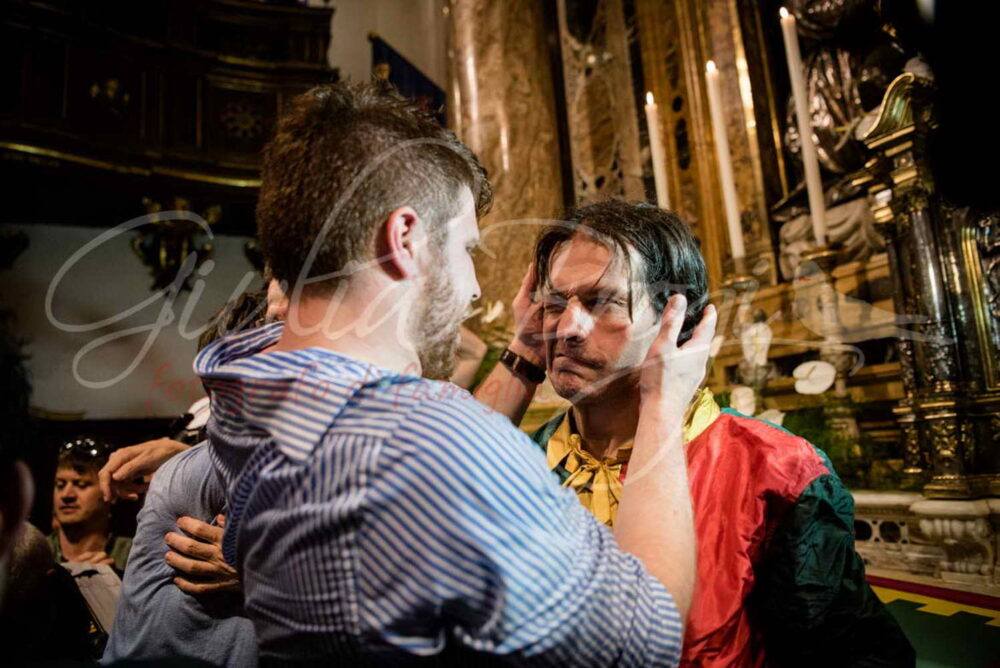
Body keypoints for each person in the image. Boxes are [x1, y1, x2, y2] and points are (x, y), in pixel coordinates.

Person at [191, 80, 714, 664]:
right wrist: (662, 402)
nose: (473, 289)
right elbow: (645, 639)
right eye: (466, 249)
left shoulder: (241, 388)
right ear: (404, 239)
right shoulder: (432, 444)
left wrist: (523, 354)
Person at [473, 200, 915, 666]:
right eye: (554, 304)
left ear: (675, 319)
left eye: (603, 302)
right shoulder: (517, 458)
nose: (567, 328)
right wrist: (523, 350)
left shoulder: (775, 470)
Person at [50, 436, 132, 571]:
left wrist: (115, 580)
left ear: (111, 492)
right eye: (60, 485)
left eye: (81, 485)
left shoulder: (134, 555)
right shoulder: (34, 553)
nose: (66, 495)